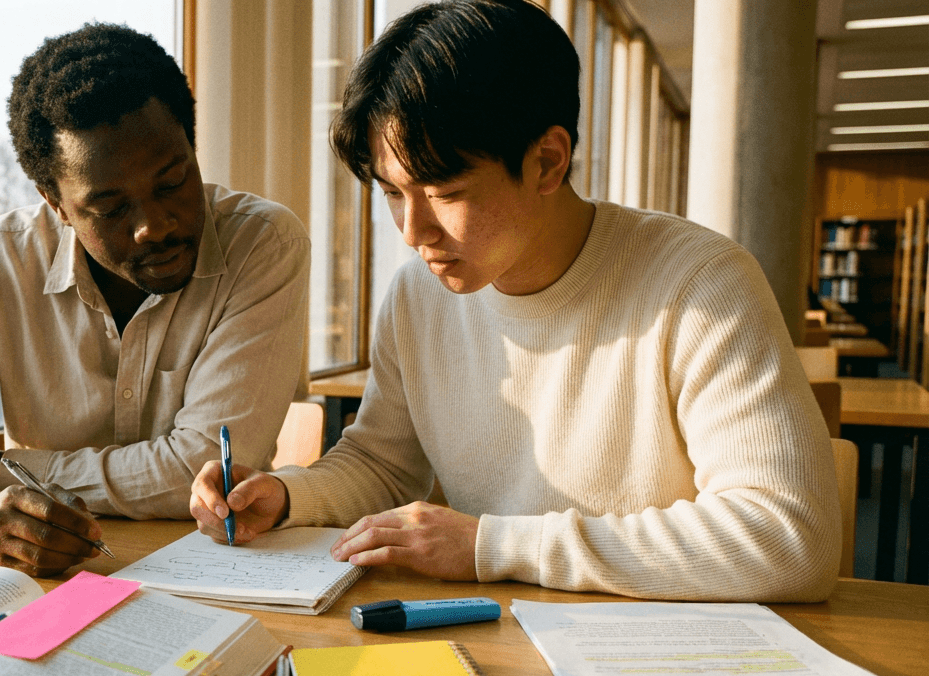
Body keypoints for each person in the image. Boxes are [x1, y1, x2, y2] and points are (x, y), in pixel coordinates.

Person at [189, 0, 839, 602]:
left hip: (655, 660)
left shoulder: (700, 286)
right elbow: (383, 463)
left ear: (548, 162)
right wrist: (284, 495)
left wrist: (492, 546)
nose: (412, 232)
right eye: (392, 193)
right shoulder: (420, 293)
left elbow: (788, 534)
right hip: (496, 632)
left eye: (444, 192)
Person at [0, 23, 310, 576]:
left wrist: (4, 469)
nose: (154, 226)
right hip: (44, 581)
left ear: (193, 153)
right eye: (111, 208)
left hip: (220, 576)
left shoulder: (262, 244)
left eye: (172, 183)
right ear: (56, 204)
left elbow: (197, 471)